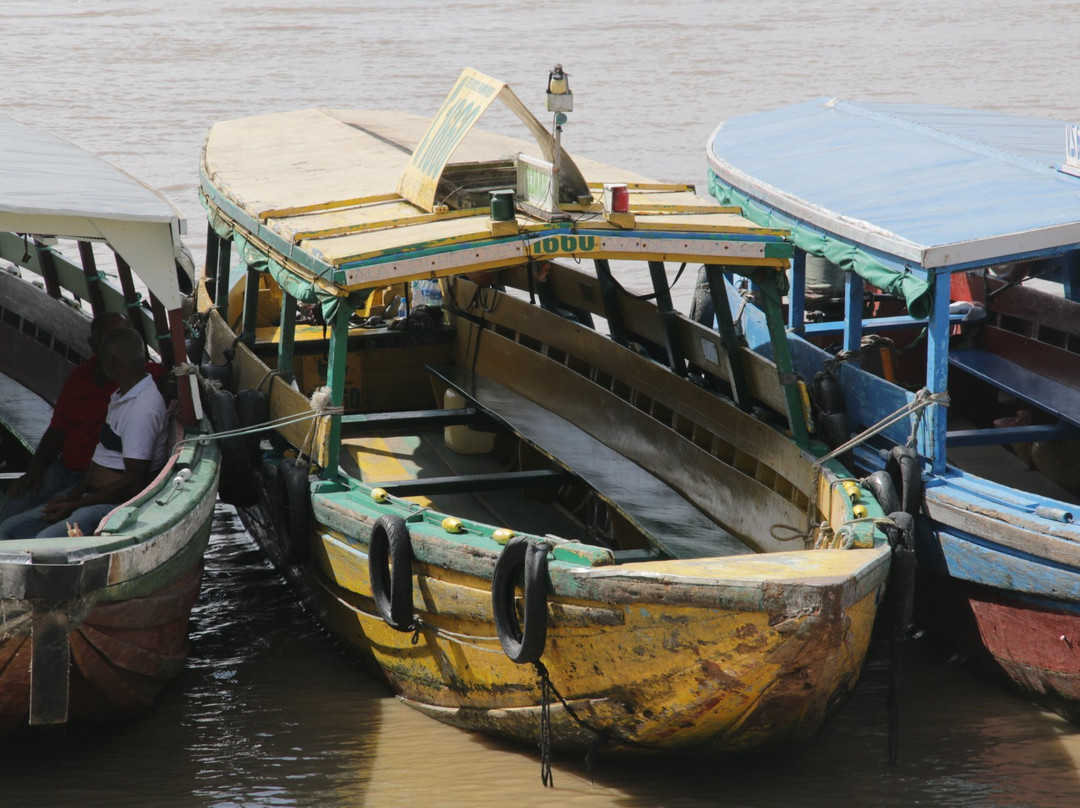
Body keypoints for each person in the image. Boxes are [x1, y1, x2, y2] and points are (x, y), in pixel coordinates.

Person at [0, 328, 170, 539]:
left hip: (112, 505)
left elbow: (132, 483)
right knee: (8, 529)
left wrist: (76, 504)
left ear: (111, 361)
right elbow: (99, 462)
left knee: (45, 541)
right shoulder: (121, 397)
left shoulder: (142, 409)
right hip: (90, 495)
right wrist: (72, 495)